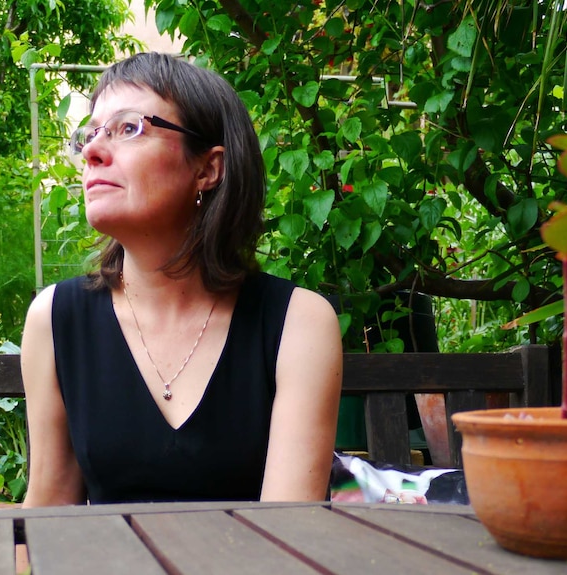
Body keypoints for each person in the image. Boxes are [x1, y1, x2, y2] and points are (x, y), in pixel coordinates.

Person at [20, 52, 343, 506]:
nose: (92, 151)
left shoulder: (298, 323)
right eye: (90, 135)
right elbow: (47, 517)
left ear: (208, 169)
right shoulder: (56, 320)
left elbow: (288, 531)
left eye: (128, 128)